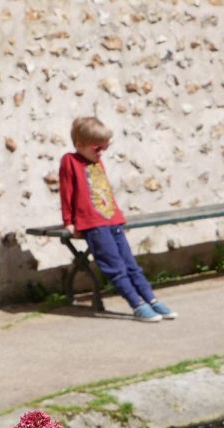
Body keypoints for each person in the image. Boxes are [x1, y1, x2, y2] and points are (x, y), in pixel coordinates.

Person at [58, 116, 176, 323]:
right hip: (93, 225)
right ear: (79, 145)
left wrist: (116, 214)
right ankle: (136, 304)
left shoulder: (96, 161)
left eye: (104, 148)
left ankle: (151, 299)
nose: (101, 153)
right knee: (115, 267)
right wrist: (69, 221)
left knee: (131, 265)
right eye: (97, 148)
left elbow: (103, 191)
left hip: (111, 220)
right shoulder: (70, 161)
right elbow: (67, 192)